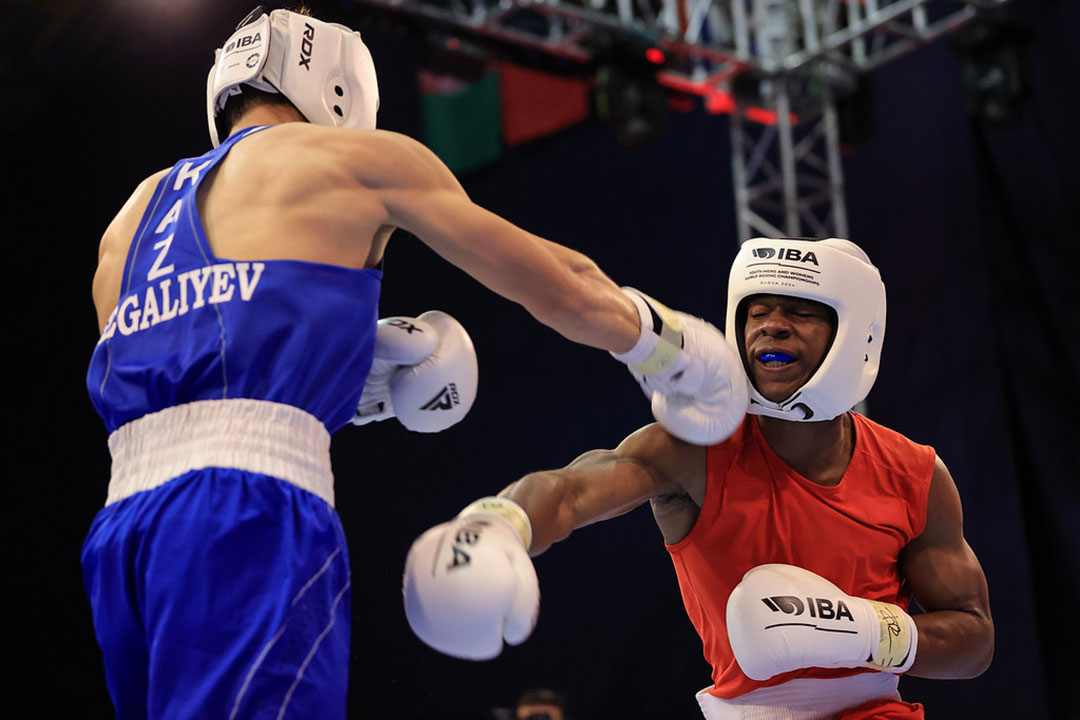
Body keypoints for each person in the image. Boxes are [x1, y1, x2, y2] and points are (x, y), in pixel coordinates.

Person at [80, 5, 749, 719]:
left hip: (122, 535)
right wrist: (665, 343)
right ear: (339, 83)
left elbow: (181, 376)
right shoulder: (353, 160)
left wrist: (344, 380)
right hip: (248, 512)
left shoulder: (129, 220)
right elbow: (554, 282)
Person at [404, 237, 994, 719]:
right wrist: (498, 524)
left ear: (857, 334)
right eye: (757, 312)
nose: (773, 327)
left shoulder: (915, 474)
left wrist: (865, 631)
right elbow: (574, 488)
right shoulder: (697, 451)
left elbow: (974, 638)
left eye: (801, 312)